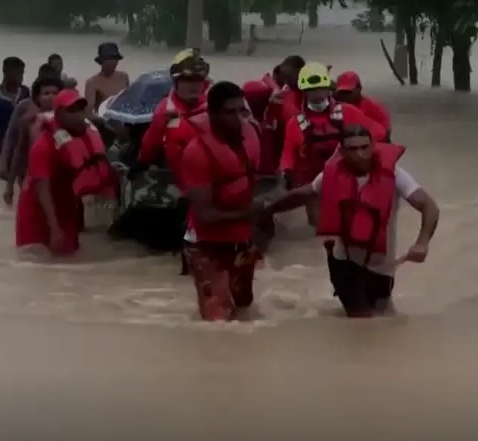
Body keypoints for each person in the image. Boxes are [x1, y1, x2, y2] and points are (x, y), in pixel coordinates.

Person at [261, 124, 440, 318]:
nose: (359, 154)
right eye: (352, 149)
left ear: (373, 147)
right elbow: (303, 194)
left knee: (385, 316)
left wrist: (422, 243)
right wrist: (267, 210)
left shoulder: (394, 174)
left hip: (383, 265)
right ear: (342, 151)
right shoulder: (331, 175)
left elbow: (429, 206)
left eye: (364, 147)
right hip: (344, 260)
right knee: (362, 320)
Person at [181, 82, 264, 321]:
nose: (238, 119)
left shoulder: (251, 136)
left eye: (242, 111)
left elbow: (252, 186)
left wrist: (257, 228)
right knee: (219, 323)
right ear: (212, 114)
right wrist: (250, 213)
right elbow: (205, 215)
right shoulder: (196, 152)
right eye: (230, 112)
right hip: (207, 245)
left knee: (244, 309)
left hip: (242, 239)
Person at [279, 62, 387, 225]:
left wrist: (363, 152)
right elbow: (288, 154)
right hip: (312, 184)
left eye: (321, 88)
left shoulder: (348, 111)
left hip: (345, 177)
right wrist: (286, 175)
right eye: (312, 89)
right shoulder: (294, 123)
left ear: (328, 87)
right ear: (303, 91)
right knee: (320, 227)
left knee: (350, 223)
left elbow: (379, 132)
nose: (317, 93)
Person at [15, 89, 117, 255]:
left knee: (69, 257)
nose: (77, 115)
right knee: (35, 258)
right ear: (58, 113)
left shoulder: (87, 135)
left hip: (66, 205)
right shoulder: (43, 145)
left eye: (80, 109)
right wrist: (54, 228)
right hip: (38, 209)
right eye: (71, 110)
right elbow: (42, 190)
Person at [136, 52, 210, 188]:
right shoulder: (165, 109)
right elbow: (150, 143)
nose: (194, 85)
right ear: (176, 82)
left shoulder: (215, 106)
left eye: (198, 80)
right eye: (188, 80)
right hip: (176, 177)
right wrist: (142, 164)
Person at [1, 76, 62, 205]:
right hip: (33, 178)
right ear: (37, 98)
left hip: (59, 178)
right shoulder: (30, 122)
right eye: (46, 93)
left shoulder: (67, 121)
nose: (51, 97)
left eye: (55, 93)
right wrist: (10, 185)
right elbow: (19, 153)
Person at [0, 57, 30, 178]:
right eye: (19, 74)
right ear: (7, 73)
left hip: (22, 150)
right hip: (4, 151)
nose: (22, 77)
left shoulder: (25, 92)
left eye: (22, 73)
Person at [334, 70, 392, 140]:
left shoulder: (375, 109)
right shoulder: (334, 105)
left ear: (359, 88)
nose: (345, 96)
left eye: (348, 92)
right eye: (342, 92)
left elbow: (386, 133)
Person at [84, 42, 129, 112]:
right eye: (110, 59)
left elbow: (129, 101)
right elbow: (88, 112)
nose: (114, 62)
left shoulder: (124, 77)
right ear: (102, 61)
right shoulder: (92, 83)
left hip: (122, 114)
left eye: (116, 59)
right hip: (103, 116)